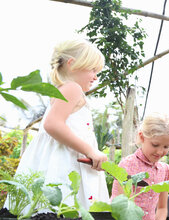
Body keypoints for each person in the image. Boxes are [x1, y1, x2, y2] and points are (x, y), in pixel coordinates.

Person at [7, 39, 109, 209]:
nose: (96, 76)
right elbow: (53, 124)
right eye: (93, 69)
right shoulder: (72, 88)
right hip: (64, 160)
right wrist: (90, 150)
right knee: (65, 206)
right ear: (72, 64)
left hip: (60, 156)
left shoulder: (63, 89)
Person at [111, 112, 169, 220]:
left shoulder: (165, 170)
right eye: (155, 145)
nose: (160, 152)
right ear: (142, 137)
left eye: (166, 146)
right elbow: (123, 208)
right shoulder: (127, 165)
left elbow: (162, 208)